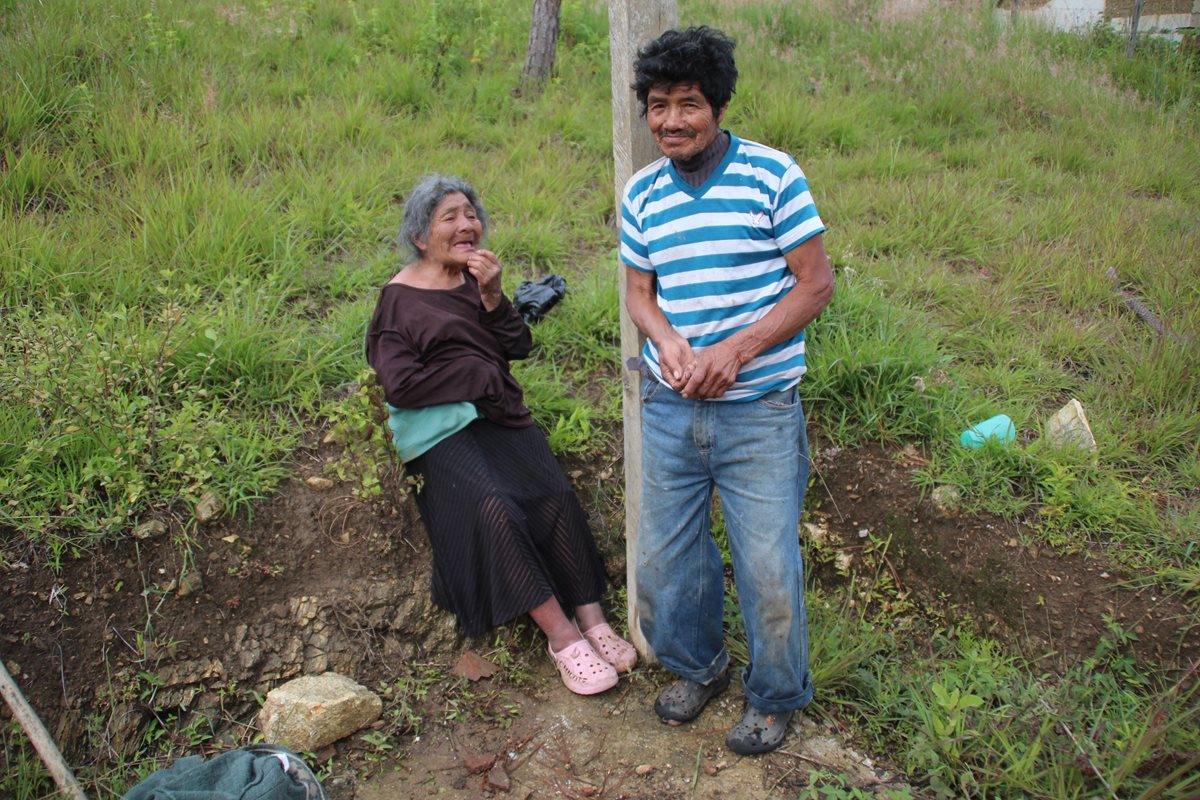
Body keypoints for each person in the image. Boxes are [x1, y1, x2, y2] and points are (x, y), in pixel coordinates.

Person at [619, 27, 834, 754]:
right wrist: (669, 342)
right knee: (666, 561)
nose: (672, 120)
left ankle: (774, 696)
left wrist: (737, 351)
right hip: (671, 407)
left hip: (759, 413)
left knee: (768, 565)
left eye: (689, 104)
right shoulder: (642, 192)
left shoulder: (773, 175)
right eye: (658, 105)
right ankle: (697, 667)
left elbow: (816, 284)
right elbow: (639, 293)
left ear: (718, 104)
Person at [366, 173, 636, 696]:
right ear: (420, 236)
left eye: (471, 214)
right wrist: (478, 377)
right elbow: (399, 383)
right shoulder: (398, 300)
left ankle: (593, 620)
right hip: (439, 431)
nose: (467, 224)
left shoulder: (474, 281)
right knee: (493, 506)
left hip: (498, 416)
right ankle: (562, 638)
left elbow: (517, 344)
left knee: (553, 492)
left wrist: (492, 296)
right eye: (451, 217)